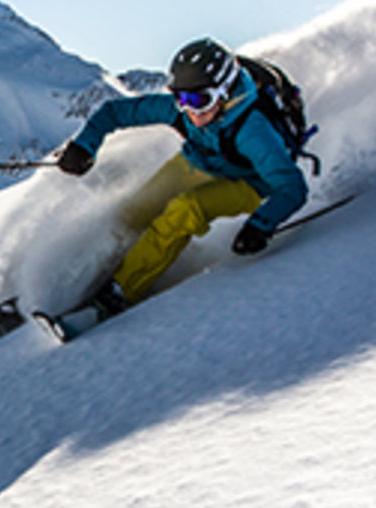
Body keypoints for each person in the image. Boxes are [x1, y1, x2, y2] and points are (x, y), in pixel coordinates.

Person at [55, 37, 308, 320]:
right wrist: (84, 146)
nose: (189, 109)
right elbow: (114, 112)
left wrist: (261, 225)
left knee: (186, 210)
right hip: (198, 162)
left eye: (199, 100)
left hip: (248, 182)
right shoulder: (182, 112)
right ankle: (93, 272)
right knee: (134, 211)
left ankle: (120, 291)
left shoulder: (253, 132)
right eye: (180, 99)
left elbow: (292, 187)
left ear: (224, 93)